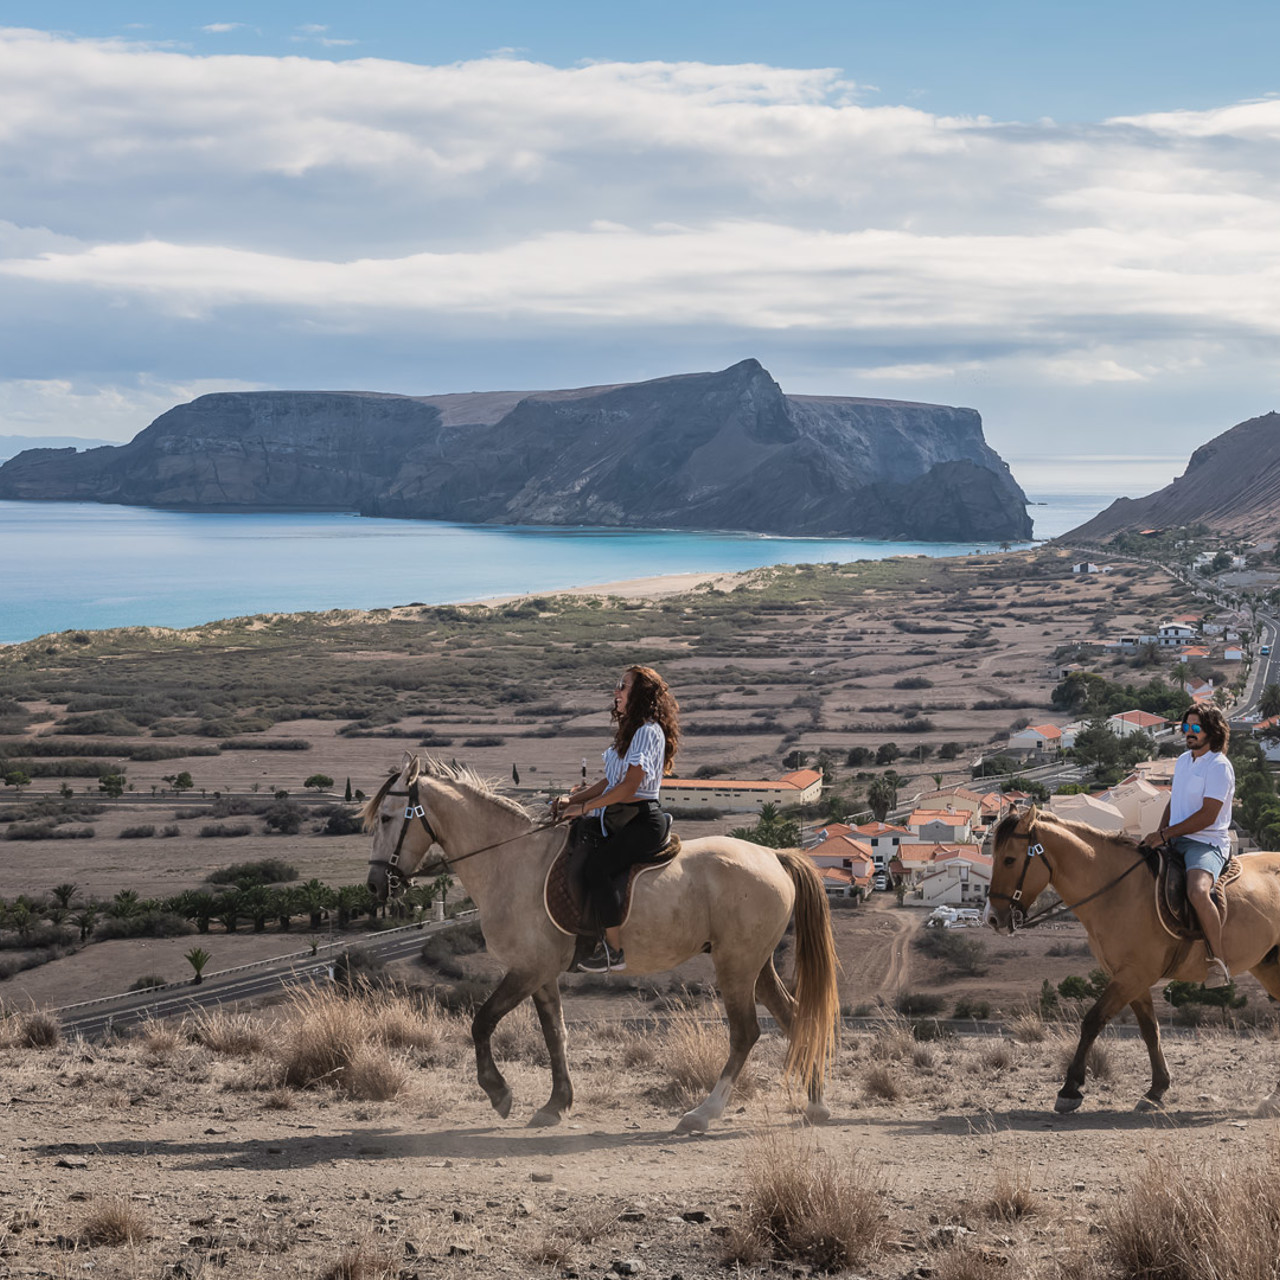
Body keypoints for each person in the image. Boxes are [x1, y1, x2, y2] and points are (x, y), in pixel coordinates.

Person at [553, 665, 680, 973]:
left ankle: (614, 950)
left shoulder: (648, 732)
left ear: (640, 695)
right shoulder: (629, 733)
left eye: (623, 686)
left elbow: (628, 788)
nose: (616, 692)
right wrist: (573, 800)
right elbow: (609, 782)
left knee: (598, 868)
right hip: (620, 818)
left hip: (640, 821)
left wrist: (584, 808)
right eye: (618, 686)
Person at [1141, 702, 1236, 988]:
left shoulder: (1219, 767)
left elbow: (1208, 815)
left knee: (1197, 891)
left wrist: (1167, 835)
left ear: (1212, 731)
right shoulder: (1183, 760)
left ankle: (1218, 962)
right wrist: (1159, 834)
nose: (1189, 732)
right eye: (1186, 727)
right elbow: (1175, 800)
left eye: (1196, 727)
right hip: (1174, 837)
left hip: (1205, 842)